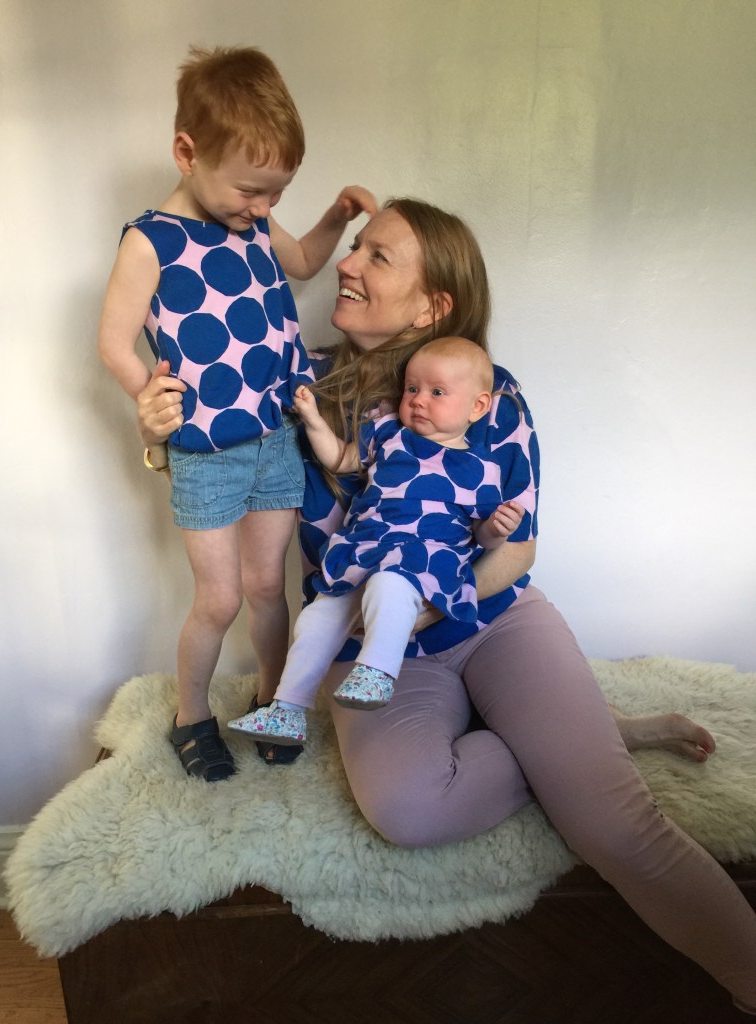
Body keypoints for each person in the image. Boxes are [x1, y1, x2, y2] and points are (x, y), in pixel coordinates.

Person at [138, 196, 756, 1011]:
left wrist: (420, 609)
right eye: (356, 247)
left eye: (376, 255)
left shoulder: (488, 395)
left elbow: (517, 550)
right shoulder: (296, 382)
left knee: (616, 825)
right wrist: (156, 429)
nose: (345, 264)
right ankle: (579, 739)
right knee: (408, 809)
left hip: (489, 619)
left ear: (434, 306)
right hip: (368, 652)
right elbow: (212, 445)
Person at [98, 45, 375, 781]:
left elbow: (304, 262)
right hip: (207, 451)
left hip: (276, 437)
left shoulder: (254, 223)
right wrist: (149, 397)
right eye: (252, 191)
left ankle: (276, 700)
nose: (262, 209)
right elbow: (114, 340)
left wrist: (336, 215)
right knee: (220, 600)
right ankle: (190, 714)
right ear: (187, 153)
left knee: (266, 589)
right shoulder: (150, 241)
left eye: (276, 194)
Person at [228, 338, 525, 744]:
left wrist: (498, 528)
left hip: (422, 559)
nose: (418, 400)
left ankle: (378, 672)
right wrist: (313, 420)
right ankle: (288, 709)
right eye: (412, 388)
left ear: (478, 406)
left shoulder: (480, 469)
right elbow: (341, 459)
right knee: (317, 616)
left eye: (437, 392)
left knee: (390, 586)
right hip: (366, 549)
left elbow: (481, 537)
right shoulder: (390, 435)